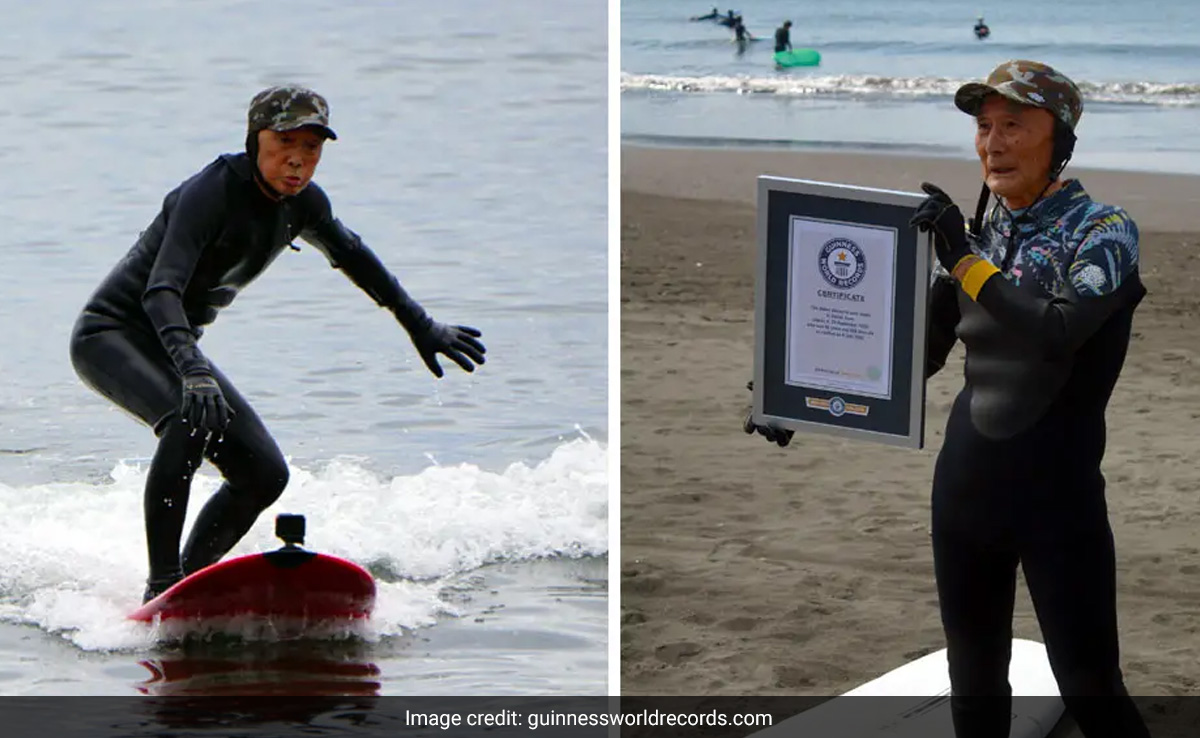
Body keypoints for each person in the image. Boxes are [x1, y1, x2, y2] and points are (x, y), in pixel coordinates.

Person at [747, 60, 1151, 737]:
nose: (994, 143)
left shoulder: (1103, 231)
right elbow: (915, 354)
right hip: (965, 494)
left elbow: (1056, 334)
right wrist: (796, 396)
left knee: (1091, 690)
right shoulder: (979, 235)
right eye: (984, 127)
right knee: (974, 686)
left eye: (1014, 125)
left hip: (1059, 503)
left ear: (1060, 138)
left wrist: (964, 259)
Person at [69, 86, 487, 604]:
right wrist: (193, 370)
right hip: (111, 335)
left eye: (312, 147)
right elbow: (161, 291)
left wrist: (421, 325)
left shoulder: (304, 205)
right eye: (285, 141)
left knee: (263, 474)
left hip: (172, 347)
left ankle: (190, 585)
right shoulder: (210, 193)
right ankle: (162, 583)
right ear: (255, 140)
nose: (297, 159)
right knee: (187, 417)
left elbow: (354, 255)